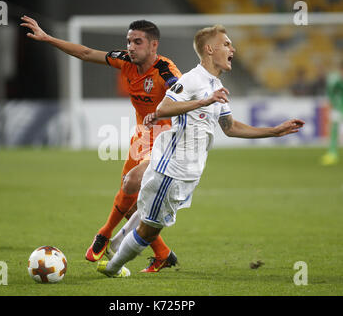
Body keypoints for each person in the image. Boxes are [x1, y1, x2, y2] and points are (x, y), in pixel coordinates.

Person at [96, 24, 305, 278]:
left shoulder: (214, 84)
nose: (232, 48)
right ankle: (113, 268)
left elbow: (230, 127)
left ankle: (114, 247)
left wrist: (273, 131)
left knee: (147, 213)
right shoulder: (192, 80)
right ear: (209, 49)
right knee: (150, 227)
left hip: (189, 171)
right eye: (226, 44)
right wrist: (204, 101)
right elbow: (163, 108)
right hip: (174, 168)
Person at [20, 16, 182, 272]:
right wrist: (47, 38)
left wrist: (166, 111)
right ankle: (163, 254)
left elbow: (183, 96)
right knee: (127, 205)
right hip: (141, 138)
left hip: (165, 140)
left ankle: (104, 234)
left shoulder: (166, 71)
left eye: (137, 42)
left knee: (130, 184)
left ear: (153, 46)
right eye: (128, 41)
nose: (130, 46)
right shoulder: (126, 61)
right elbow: (85, 53)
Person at [321, 62, 343, 165]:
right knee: (334, 130)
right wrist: (333, 104)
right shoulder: (335, 79)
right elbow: (330, 93)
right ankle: (332, 153)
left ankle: (332, 153)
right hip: (338, 108)